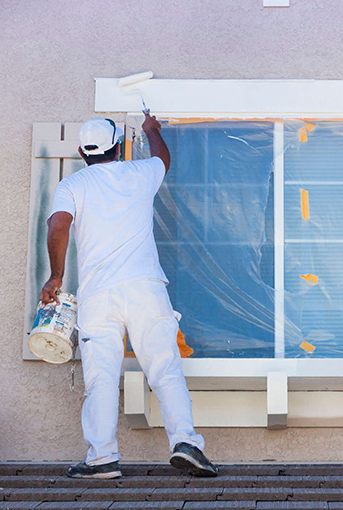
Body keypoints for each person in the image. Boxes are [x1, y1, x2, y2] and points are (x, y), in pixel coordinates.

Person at [40, 115, 217, 479]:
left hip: (98, 296)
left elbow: (58, 225)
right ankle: (187, 443)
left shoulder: (71, 185)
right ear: (118, 147)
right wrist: (152, 130)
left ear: (80, 153)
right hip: (145, 289)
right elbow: (162, 159)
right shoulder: (139, 174)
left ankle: (102, 458)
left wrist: (55, 277)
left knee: (101, 379)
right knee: (165, 369)